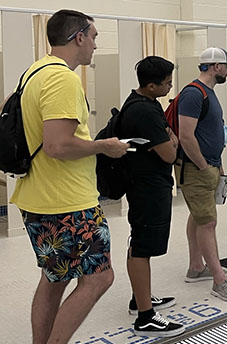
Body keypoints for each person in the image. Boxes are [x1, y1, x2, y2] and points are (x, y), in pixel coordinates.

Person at [10, 10, 129, 343]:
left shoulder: (34, 72)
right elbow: (58, 145)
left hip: (38, 197)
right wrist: (103, 146)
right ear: (78, 37)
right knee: (99, 278)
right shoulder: (62, 79)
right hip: (66, 202)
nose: (94, 44)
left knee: (55, 277)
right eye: (93, 37)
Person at [120, 56, 184, 337]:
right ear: (150, 85)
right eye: (167, 83)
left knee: (139, 241)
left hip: (145, 182)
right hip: (147, 185)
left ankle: (140, 298)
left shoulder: (143, 103)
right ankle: (145, 316)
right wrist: (172, 140)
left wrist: (169, 137)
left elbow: (167, 136)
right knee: (143, 246)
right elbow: (170, 152)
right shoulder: (144, 112)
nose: (170, 87)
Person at [178, 47, 227, 301]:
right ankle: (219, 280)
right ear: (216, 66)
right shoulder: (194, 94)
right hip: (197, 168)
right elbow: (185, 135)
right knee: (208, 222)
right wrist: (204, 166)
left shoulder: (208, 93)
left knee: (198, 216)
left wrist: (216, 165)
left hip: (208, 165)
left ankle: (196, 267)